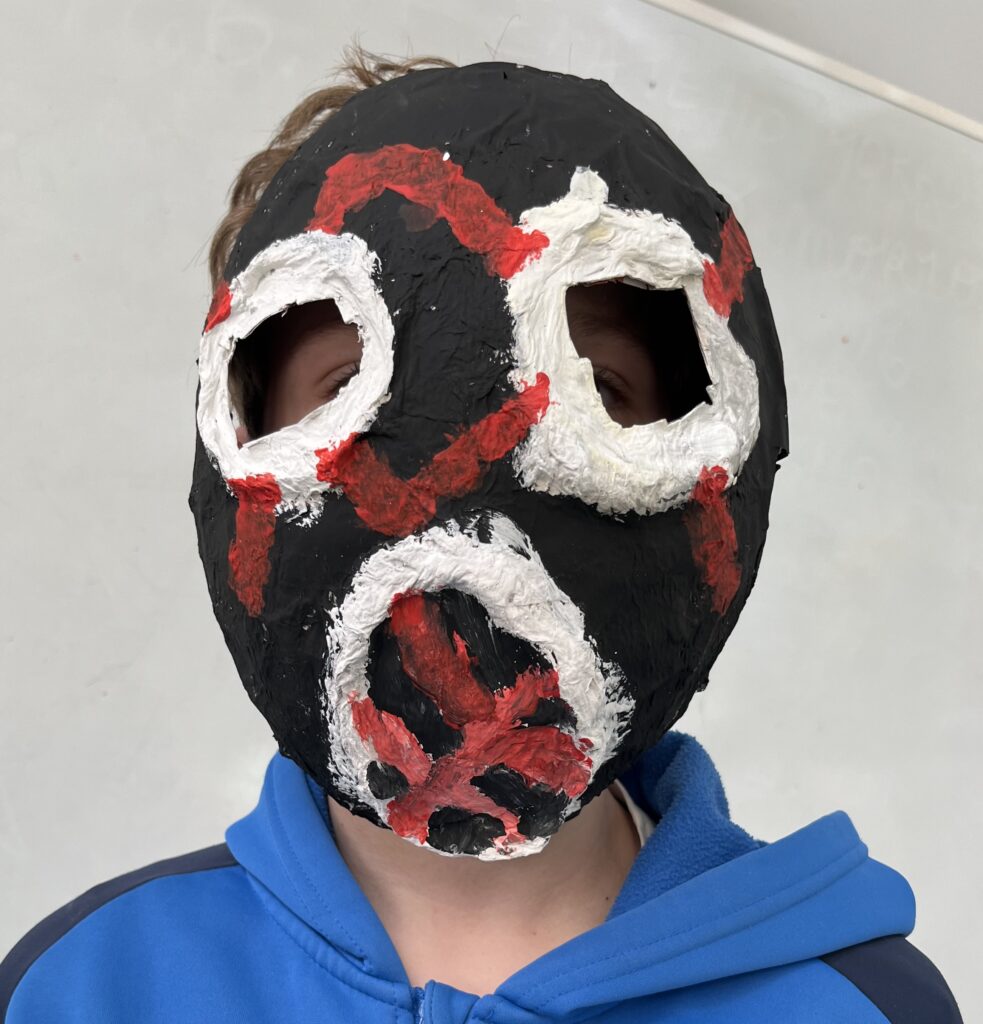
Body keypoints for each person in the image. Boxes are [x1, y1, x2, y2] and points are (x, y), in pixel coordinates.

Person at [0, 49, 962, 1023]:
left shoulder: (860, 1007)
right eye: (345, 384)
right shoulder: (83, 989)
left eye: (595, 385)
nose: (456, 474)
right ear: (241, 436)